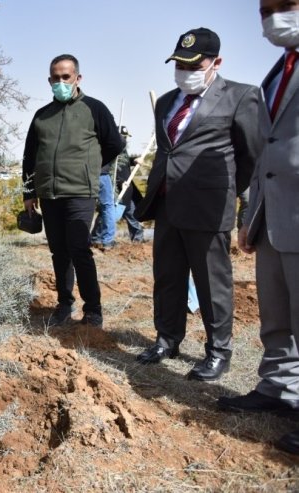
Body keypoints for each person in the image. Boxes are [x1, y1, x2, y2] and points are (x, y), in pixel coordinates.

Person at [134, 28, 263, 381]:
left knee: (212, 283)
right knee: (168, 277)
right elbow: (168, 150)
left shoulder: (242, 96)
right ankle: (167, 338)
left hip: (209, 207)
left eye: (194, 63)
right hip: (167, 204)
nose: (184, 70)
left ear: (216, 62)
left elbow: (252, 157)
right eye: (179, 63)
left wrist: (236, 201)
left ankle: (218, 351)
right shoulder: (166, 102)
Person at [218, 0, 299, 455]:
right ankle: (278, 388)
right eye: (265, 8)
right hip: (272, 214)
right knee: (277, 313)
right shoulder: (278, 69)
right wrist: (251, 216)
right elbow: (265, 151)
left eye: (285, 5)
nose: (273, 17)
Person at [22, 54, 124, 329]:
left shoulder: (94, 109)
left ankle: (93, 310)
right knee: (59, 252)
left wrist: (90, 167)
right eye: (55, 77)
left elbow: (115, 144)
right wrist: (28, 193)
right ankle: (64, 305)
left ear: (78, 78)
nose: (60, 82)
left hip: (80, 191)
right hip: (49, 194)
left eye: (65, 77)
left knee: (80, 249)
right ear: (49, 80)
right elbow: (29, 156)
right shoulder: (42, 116)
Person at [90, 133, 118, 250]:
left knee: (85, 206)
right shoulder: (105, 135)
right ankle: (107, 240)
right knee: (108, 207)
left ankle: (92, 239)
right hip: (102, 174)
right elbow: (119, 143)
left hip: (86, 173)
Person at [117, 154, 146, 243]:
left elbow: (124, 162)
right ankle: (98, 239)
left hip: (127, 192)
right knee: (108, 217)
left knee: (133, 218)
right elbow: (108, 171)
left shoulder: (121, 152)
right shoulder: (107, 153)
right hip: (116, 192)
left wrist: (134, 160)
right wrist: (120, 182)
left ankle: (138, 241)